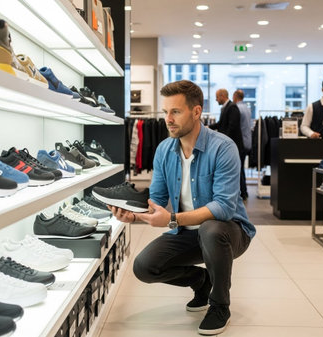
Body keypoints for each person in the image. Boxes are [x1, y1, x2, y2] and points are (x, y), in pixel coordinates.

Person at [110, 80, 256, 335]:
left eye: (175, 111)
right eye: (166, 112)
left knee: (211, 229)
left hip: (230, 232)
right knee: (144, 267)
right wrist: (133, 216)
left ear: (196, 112)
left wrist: (172, 219)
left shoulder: (223, 148)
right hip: (188, 232)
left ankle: (220, 305)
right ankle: (201, 281)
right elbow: (156, 201)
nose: (168, 119)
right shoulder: (164, 149)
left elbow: (223, 207)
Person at [209, 89, 246, 200]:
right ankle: (242, 194)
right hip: (231, 145)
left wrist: (221, 140)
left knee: (238, 170)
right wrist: (208, 129)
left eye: (217, 97)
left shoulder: (232, 107)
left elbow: (232, 127)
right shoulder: (227, 107)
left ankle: (242, 194)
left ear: (222, 96)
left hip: (235, 146)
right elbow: (221, 124)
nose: (216, 99)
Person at [233, 89, 252, 200]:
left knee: (238, 168)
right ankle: (244, 191)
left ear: (236, 96)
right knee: (241, 168)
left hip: (240, 142)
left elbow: (236, 127)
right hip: (247, 141)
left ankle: (242, 192)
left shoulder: (237, 108)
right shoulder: (247, 109)